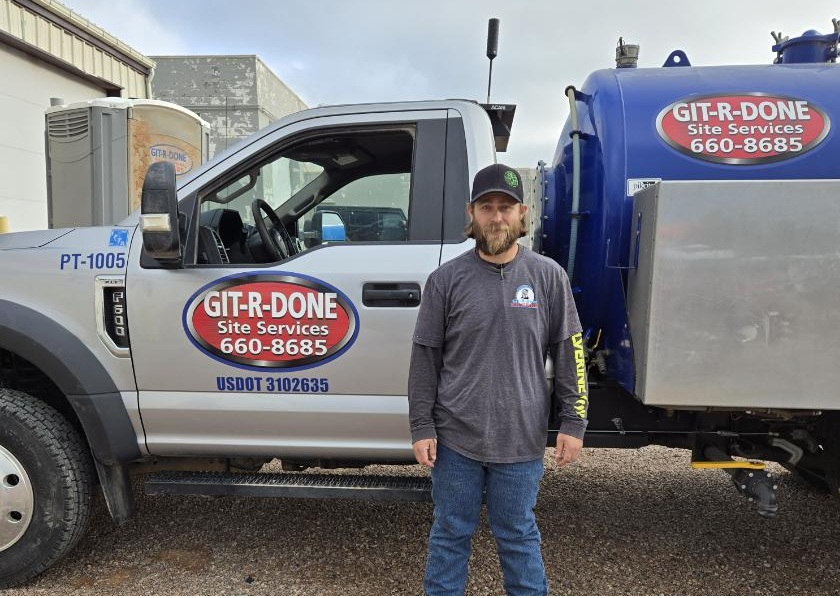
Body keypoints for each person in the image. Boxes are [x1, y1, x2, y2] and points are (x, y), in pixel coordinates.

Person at [408, 163, 589, 596]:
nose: (496, 216)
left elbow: (571, 353)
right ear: (471, 213)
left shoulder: (548, 277)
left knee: (518, 535)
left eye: (505, 207)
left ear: (522, 213)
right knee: (451, 534)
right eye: (486, 207)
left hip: (521, 440)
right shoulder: (445, 280)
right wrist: (421, 425)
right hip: (456, 438)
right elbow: (425, 357)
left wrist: (573, 422)